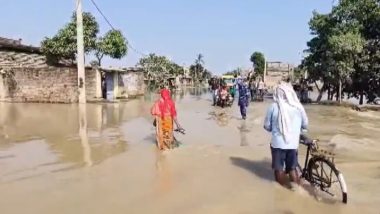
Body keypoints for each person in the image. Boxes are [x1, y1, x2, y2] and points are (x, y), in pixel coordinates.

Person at [263, 83, 308, 188]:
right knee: (292, 168)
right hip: (293, 144)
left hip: (278, 144)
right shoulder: (298, 107)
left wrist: (274, 129)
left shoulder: (273, 107)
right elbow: (305, 124)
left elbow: (267, 126)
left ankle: (281, 192)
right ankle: (297, 190)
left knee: (279, 169)